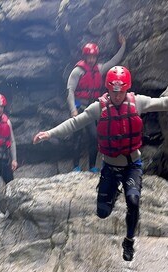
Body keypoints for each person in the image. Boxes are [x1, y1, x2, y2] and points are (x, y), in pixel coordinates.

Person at [33, 66, 168, 261]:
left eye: (121, 91)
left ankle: (129, 241)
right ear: (108, 89)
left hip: (132, 165)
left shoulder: (137, 103)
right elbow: (75, 123)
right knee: (102, 212)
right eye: (113, 91)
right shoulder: (99, 108)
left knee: (134, 201)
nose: (117, 95)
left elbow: (165, 102)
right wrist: (49, 133)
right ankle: (113, 192)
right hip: (110, 166)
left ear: (126, 89)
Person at [67, 33, 126, 173]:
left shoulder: (99, 69)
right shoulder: (78, 71)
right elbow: (70, 91)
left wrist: (123, 45)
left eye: (93, 57)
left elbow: (114, 61)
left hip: (92, 108)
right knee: (77, 138)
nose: (91, 59)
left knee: (94, 137)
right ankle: (76, 166)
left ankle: (92, 166)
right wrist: (72, 111)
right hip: (79, 108)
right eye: (89, 57)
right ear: (85, 57)